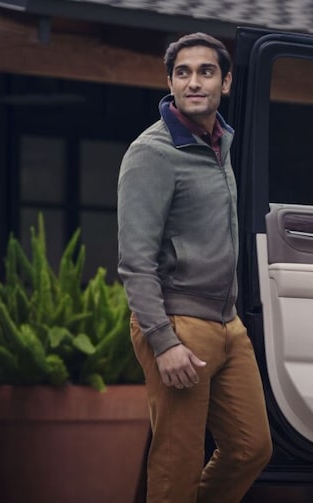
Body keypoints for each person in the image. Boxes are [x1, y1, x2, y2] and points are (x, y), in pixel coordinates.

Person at [117, 32, 271, 503]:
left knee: (251, 449)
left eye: (205, 71)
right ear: (170, 82)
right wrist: (164, 342)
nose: (194, 82)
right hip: (178, 325)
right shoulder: (153, 153)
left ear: (226, 82)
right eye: (183, 73)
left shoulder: (222, 143)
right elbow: (134, 261)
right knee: (176, 462)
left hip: (227, 324)